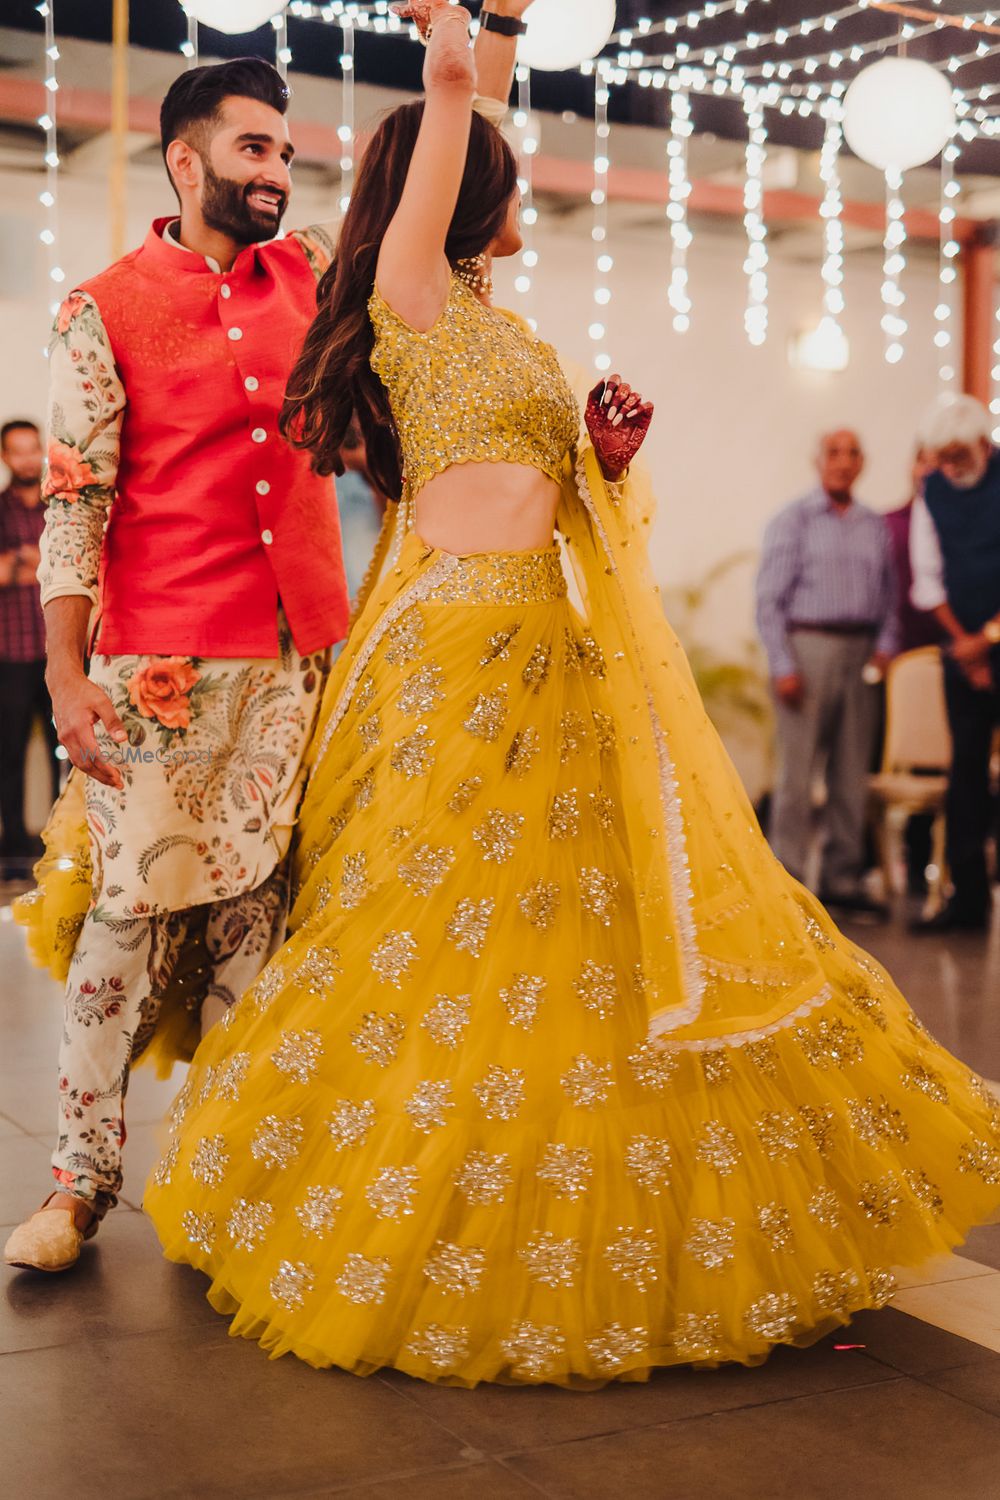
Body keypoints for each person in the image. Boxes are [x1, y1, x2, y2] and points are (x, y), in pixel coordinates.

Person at [142, 4, 1000, 1388]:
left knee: (589, 941)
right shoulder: (410, 290)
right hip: (456, 659)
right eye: (508, 169)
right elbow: (440, 101)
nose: (522, 190)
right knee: (441, 936)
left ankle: (589, 1193)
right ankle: (404, 1206)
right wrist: (465, 38)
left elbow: (567, 499)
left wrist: (601, 452)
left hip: (558, 646)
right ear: (462, 183)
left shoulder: (502, 322)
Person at [3, 59, 350, 1275]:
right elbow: (73, 503)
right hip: (157, 659)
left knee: (259, 923)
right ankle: (77, 1186)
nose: (276, 172)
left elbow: (434, 212)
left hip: (297, 655)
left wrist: (483, 51)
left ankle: (228, 1186)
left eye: (284, 153)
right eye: (253, 150)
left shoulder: (309, 273)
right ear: (187, 161)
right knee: (123, 924)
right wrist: (61, 671)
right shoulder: (99, 307)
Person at [756, 430, 899, 918]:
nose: (843, 461)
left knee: (850, 773)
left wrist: (884, 648)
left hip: (860, 654)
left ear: (863, 464)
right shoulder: (792, 520)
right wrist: (782, 664)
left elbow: (889, 596)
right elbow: (769, 601)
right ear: (817, 461)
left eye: (853, 452)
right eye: (833, 452)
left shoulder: (873, 524)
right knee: (796, 776)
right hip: (806, 650)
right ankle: (787, 882)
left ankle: (841, 878)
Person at [910, 394, 1000, 934]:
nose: (950, 467)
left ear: (984, 445)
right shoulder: (932, 493)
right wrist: (968, 648)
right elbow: (928, 577)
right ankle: (967, 901)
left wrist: (986, 640)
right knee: (965, 774)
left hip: (985, 638)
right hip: (962, 645)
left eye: (958, 455)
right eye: (941, 457)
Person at [884, 446, 947, 898]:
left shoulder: (958, 524)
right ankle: (904, 865)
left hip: (955, 653)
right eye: (921, 458)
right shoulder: (890, 525)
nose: (928, 468)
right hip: (901, 657)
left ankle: (944, 868)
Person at [0, 420, 60, 877]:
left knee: (72, 752)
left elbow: (75, 563)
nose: (25, 458)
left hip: (60, 651)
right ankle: (16, 852)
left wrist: (19, 559)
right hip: (10, 654)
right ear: (4, 456)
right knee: (10, 756)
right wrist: (35, 560)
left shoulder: (59, 504)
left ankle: (65, 844)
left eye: (31, 449)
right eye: (16, 451)